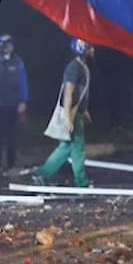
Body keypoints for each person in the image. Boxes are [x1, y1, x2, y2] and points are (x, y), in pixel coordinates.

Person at [31, 39, 95, 188]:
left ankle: (42, 175)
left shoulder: (82, 67)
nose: (93, 50)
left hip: (76, 113)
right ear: (83, 50)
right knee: (78, 148)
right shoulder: (74, 68)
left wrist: (84, 110)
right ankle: (81, 183)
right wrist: (68, 118)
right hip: (72, 114)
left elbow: (81, 93)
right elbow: (68, 92)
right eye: (90, 47)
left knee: (65, 147)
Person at [0, 34, 29, 172]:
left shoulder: (17, 62)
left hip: (13, 105)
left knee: (12, 136)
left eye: (9, 44)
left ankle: (11, 164)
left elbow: (22, 82)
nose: (8, 47)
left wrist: (23, 101)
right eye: (5, 45)